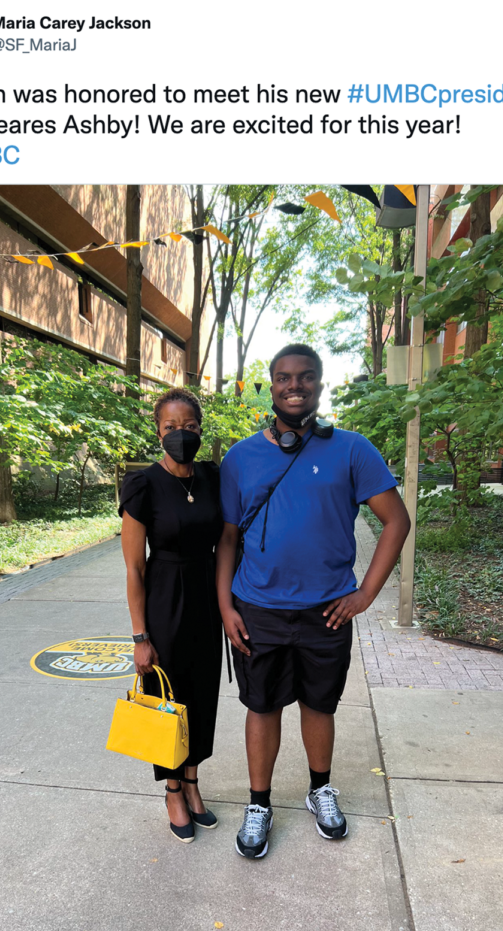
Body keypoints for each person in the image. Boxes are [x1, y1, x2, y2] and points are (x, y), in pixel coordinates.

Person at [216, 344, 411, 859]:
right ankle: (259, 803)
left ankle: (320, 789)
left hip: (327, 609)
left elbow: (397, 519)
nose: (294, 386)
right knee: (261, 705)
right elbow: (228, 539)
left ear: (320, 385)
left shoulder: (352, 449)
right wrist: (225, 607)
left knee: (319, 703)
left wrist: (365, 593)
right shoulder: (240, 457)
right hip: (258, 607)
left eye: (305, 378)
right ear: (271, 385)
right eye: (283, 378)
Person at [119, 388, 222, 844]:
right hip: (164, 599)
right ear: (157, 431)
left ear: (200, 429)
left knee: (202, 694)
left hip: (206, 598)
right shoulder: (143, 485)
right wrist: (140, 635)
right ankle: (173, 790)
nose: (181, 435)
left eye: (190, 427)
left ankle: (195, 781)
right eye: (171, 428)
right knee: (169, 698)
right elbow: (134, 567)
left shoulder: (211, 477)